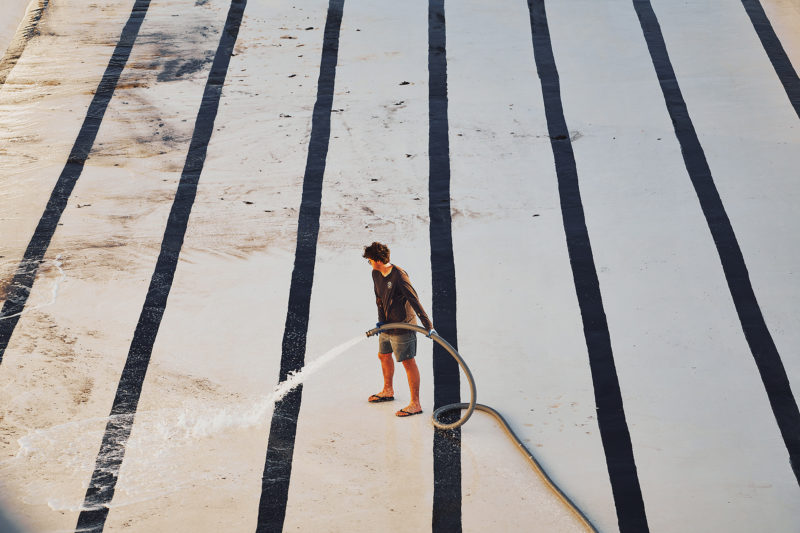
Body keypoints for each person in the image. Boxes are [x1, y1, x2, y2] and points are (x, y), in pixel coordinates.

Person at [363, 242, 435, 417]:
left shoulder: (399, 276)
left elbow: (414, 300)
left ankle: (415, 404)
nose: (370, 263)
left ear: (378, 260)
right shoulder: (376, 273)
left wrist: (428, 327)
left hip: (404, 325)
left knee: (407, 362)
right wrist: (381, 322)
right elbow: (379, 298)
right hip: (388, 324)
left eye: (370, 260)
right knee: (383, 355)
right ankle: (388, 390)